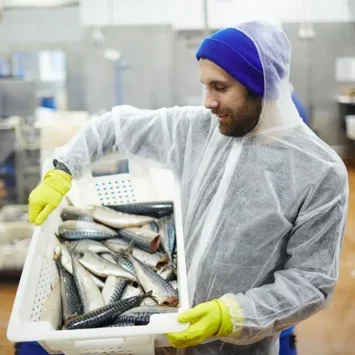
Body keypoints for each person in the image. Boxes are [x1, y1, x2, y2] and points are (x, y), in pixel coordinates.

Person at [28, 21, 348, 355]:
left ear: (259, 86)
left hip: (237, 346)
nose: (208, 102)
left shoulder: (320, 171)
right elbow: (114, 127)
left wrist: (233, 315)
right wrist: (62, 169)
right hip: (162, 324)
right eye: (205, 86)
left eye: (220, 87)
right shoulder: (198, 129)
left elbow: (311, 281)